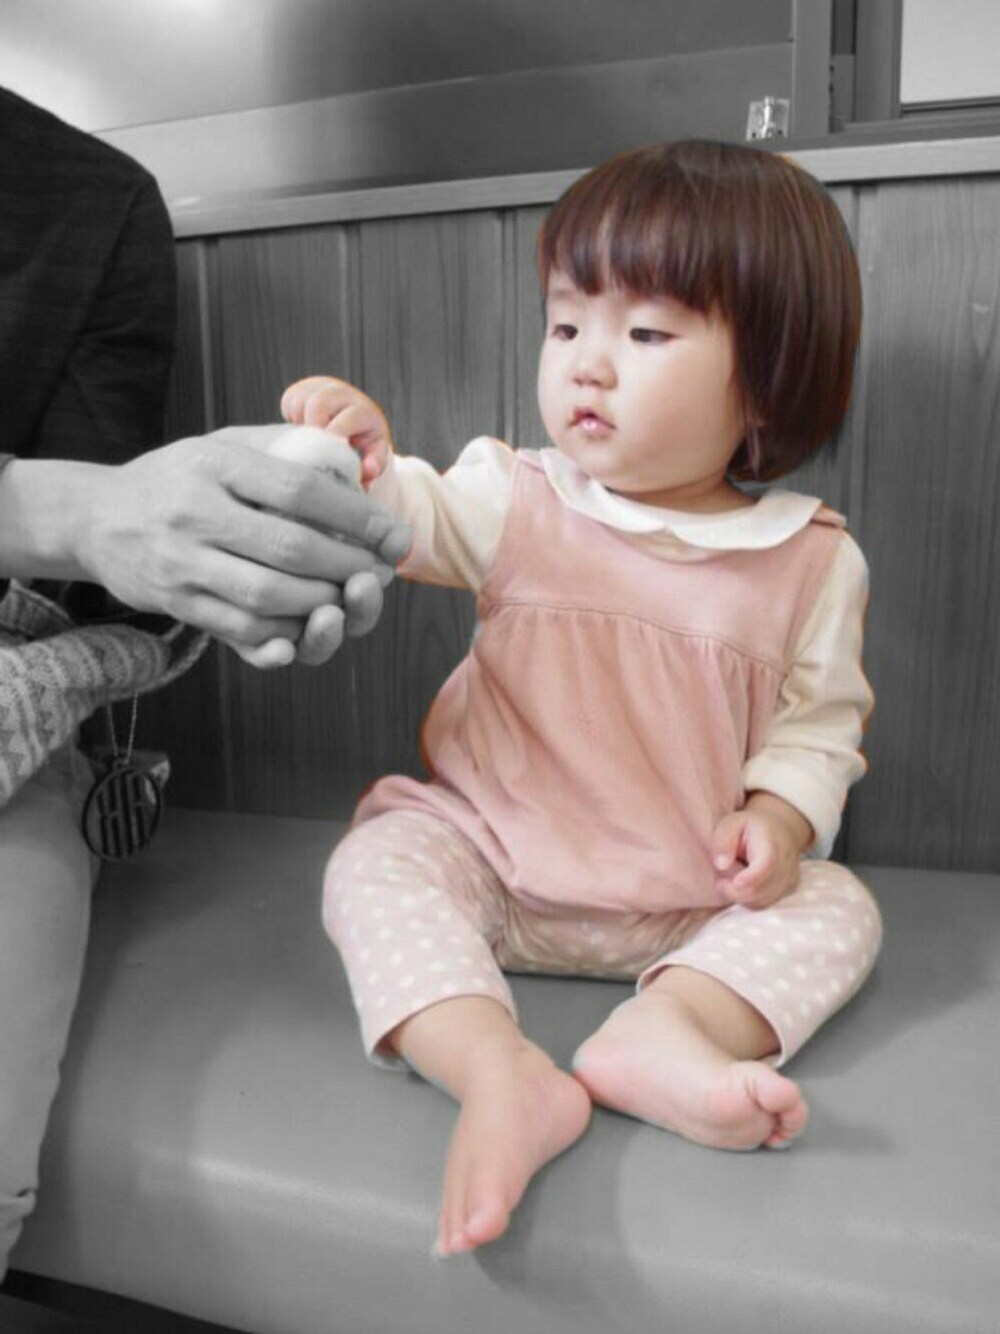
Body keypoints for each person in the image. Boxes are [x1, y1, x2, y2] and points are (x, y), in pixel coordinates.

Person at [283, 139, 881, 1258]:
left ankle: (666, 1028)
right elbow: (410, 514)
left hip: (686, 901)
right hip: (495, 861)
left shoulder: (810, 560)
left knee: (841, 905)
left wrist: (780, 818)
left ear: (768, 376)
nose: (587, 367)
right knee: (375, 858)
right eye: (565, 326)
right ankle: (495, 1067)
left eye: (645, 334)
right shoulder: (518, 497)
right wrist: (364, 463)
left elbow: (819, 728)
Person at [0, 86, 408, 1284]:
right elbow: (92, 513)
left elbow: (89, 581)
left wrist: (231, 552)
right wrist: (78, 508)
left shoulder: (91, 203)